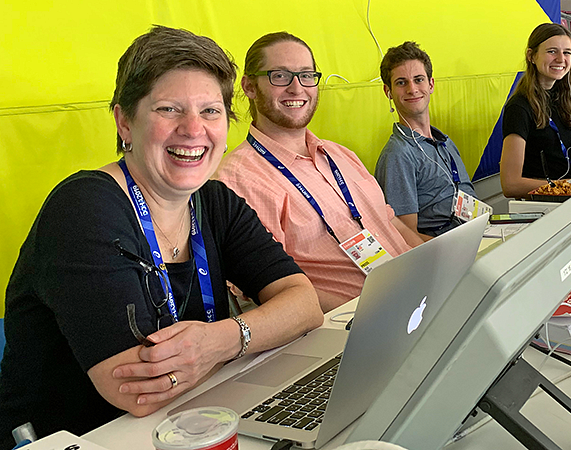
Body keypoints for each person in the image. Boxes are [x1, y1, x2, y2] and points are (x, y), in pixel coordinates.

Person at [0, 26, 323, 447]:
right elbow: (136, 393)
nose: (193, 129)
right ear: (124, 122)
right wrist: (257, 332)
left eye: (210, 111)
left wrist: (222, 340)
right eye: (169, 109)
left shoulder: (214, 199)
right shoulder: (83, 209)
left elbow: (305, 303)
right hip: (84, 437)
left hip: (190, 421)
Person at [215, 32, 425, 313]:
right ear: (250, 86)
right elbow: (268, 287)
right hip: (352, 331)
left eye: (306, 75)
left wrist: (439, 265)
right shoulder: (237, 180)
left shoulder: (341, 155)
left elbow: (391, 223)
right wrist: (368, 314)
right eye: (280, 76)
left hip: (419, 299)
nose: (296, 87)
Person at [500, 23, 571, 199]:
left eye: (567, 52)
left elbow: (558, 162)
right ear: (531, 56)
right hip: (544, 209)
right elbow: (511, 184)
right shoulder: (519, 107)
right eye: (552, 51)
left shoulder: (562, 99)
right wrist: (569, 187)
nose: (561, 59)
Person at [375, 41, 476, 237]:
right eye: (401, 82)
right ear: (388, 92)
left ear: (431, 84)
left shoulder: (445, 142)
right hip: (446, 249)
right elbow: (407, 237)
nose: (412, 89)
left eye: (418, 79)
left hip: (477, 231)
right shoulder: (398, 155)